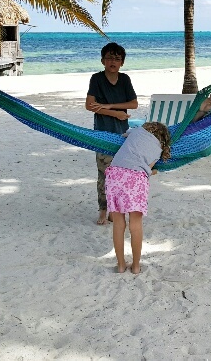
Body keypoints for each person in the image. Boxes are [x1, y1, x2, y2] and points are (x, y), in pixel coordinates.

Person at [105, 122, 171, 274]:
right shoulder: (159, 149)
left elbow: (124, 135)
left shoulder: (136, 131)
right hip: (135, 179)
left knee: (118, 223)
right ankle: (135, 266)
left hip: (114, 175)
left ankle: (121, 265)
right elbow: (148, 168)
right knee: (135, 224)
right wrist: (153, 172)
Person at [86, 42, 138, 225]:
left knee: (120, 172)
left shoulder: (124, 79)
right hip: (102, 133)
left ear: (122, 62)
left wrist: (110, 105)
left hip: (122, 134)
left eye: (117, 58)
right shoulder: (97, 79)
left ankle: (115, 209)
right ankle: (103, 210)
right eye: (109, 58)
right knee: (104, 172)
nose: (113, 62)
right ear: (102, 60)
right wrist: (114, 113)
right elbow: (90, 105)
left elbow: (133, 104)